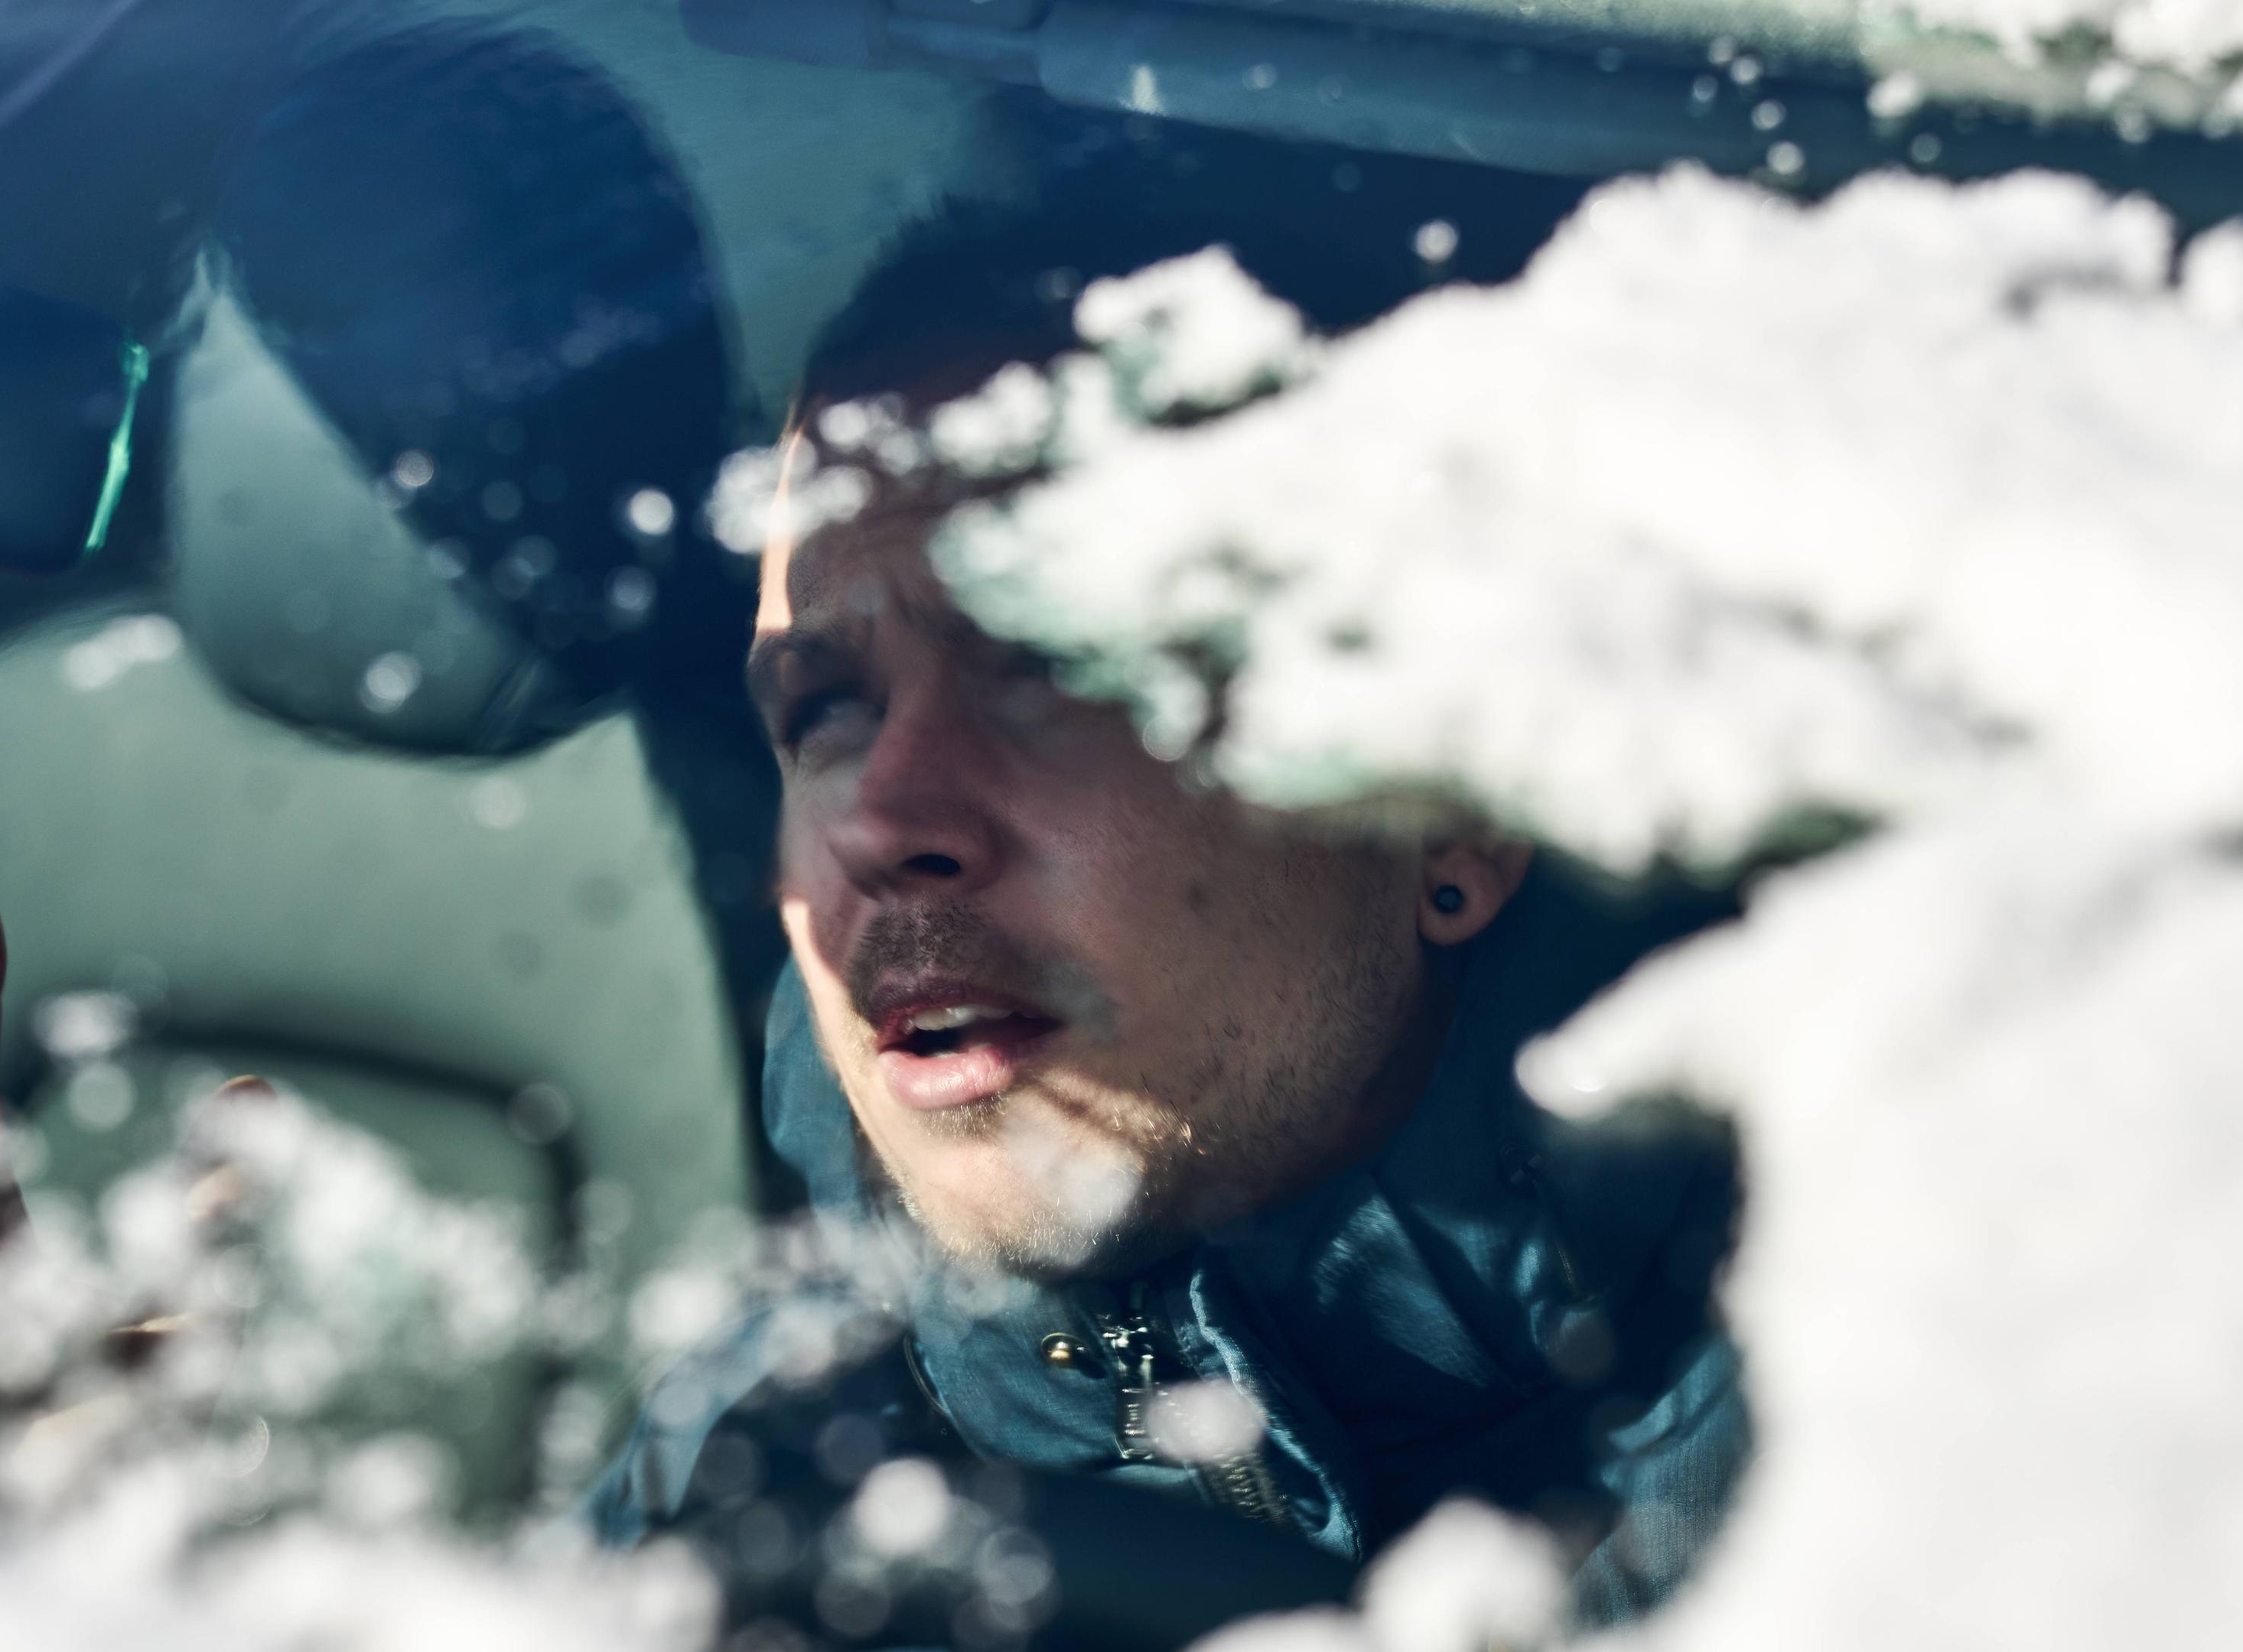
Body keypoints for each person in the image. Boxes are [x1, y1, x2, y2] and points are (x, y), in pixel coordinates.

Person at [580, 195, 1753, 1639]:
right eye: (825, 707)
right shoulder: (759, 1452)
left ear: (1446, 809)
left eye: (1053, 663)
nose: (885, 820)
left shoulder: (1892, 1428)